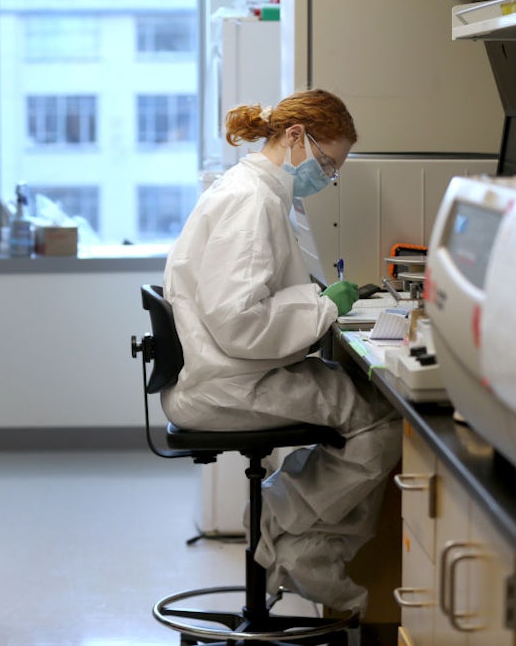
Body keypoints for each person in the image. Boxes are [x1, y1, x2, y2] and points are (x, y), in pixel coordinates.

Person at [161, 89, 402, 614]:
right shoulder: (251, 201)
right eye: (327, 162)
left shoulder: (256, 190)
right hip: (229, 382)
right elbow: (239, 323)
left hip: (229, 372)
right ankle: (300, 542)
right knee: (383, 420)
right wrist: (322, 310)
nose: (328, 176)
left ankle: (284, 527)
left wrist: (317, 301)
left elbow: (248, 299)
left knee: (360, 402)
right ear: (296, 137)